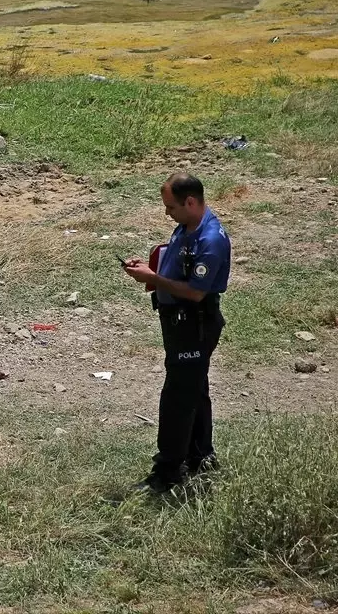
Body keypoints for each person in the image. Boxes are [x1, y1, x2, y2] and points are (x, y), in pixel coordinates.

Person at [122, 173, 231, 494]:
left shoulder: (211, 240)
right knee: (194, 389)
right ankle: (201, 456)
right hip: (179, 321)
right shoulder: (188, 226)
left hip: (194, 322)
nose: (167, 213)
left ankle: (167, 472)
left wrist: (154, 277)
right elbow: (178, 260)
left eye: (171, 207)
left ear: (191, 202)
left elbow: (197, 293)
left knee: (177, 398)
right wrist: (152, 269)